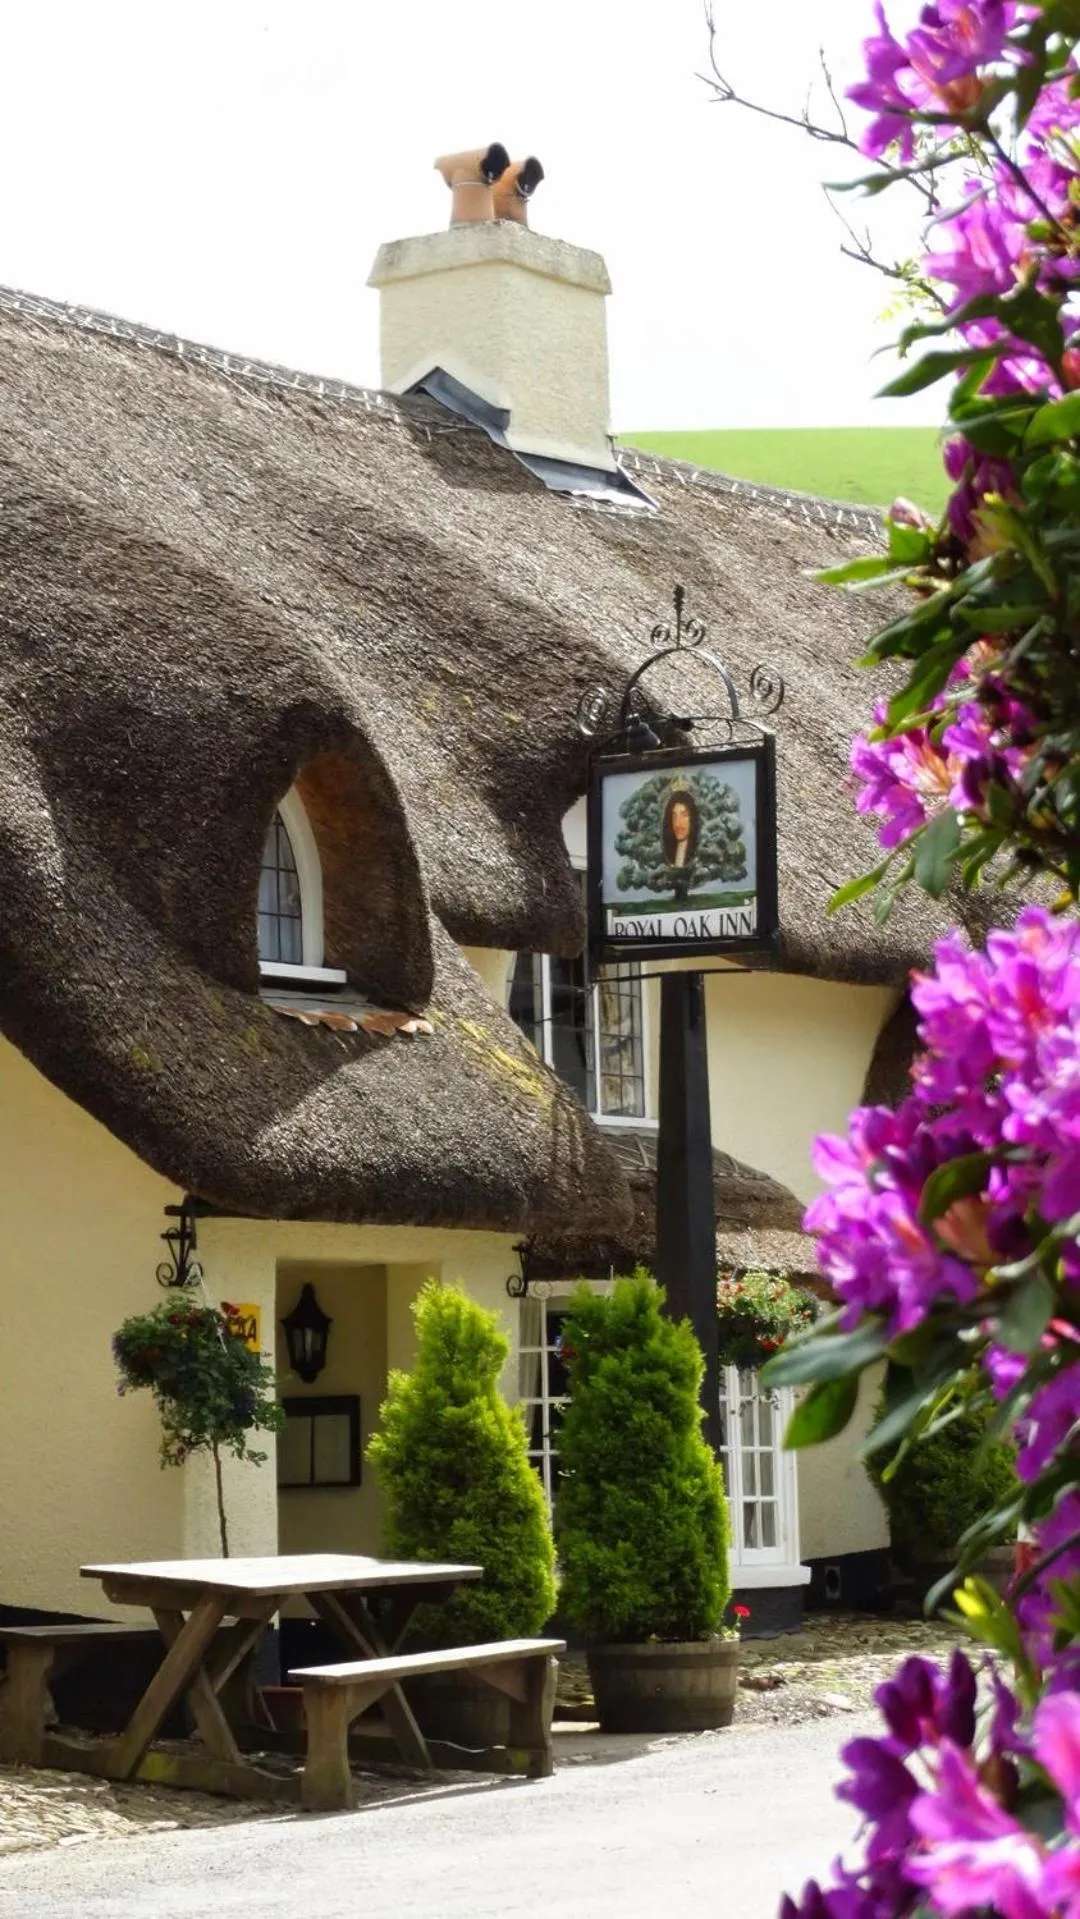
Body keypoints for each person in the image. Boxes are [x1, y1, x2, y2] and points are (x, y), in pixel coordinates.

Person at [661, 787, 699, 869]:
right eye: (674, 816)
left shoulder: (696, 856)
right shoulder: (671, 855)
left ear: (692, 818)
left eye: (684, 815)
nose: (677, 824)